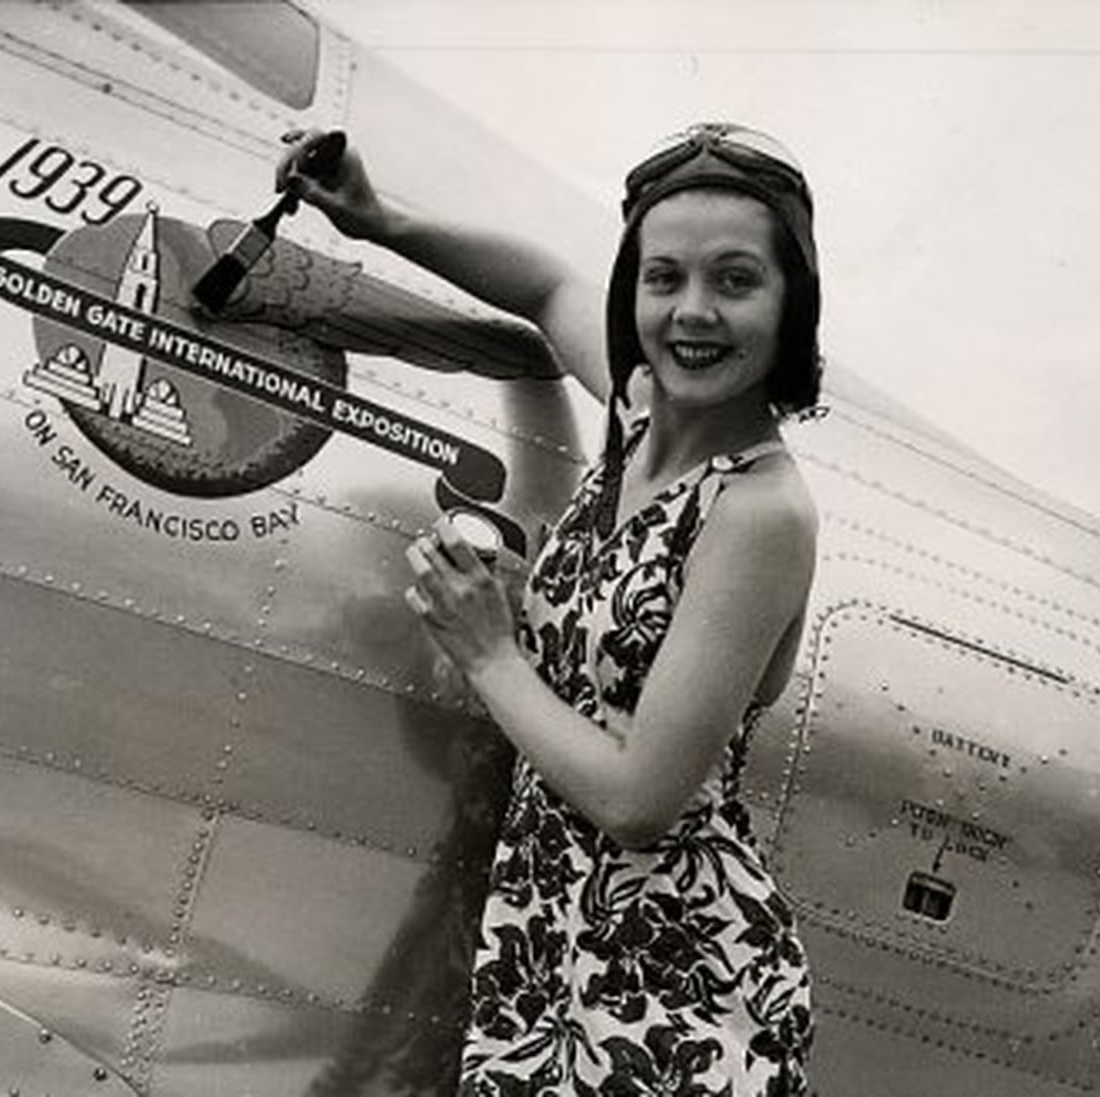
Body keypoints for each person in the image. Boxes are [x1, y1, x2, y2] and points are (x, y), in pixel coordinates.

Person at [279, 122, 821, 1096]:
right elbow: (545, 288)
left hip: (665, 985)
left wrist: (489, 651)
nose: (692, 311)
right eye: (663, 279)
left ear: (791, 304)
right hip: (555, 937)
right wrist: (378, 220)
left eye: (735, 280)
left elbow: (640, 799)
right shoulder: (643, 418)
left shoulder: (759, 511)